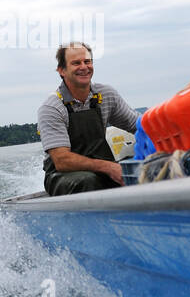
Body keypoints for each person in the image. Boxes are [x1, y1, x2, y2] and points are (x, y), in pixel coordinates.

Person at [36, 42, 138, 195]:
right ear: (61, 70)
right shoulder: (52, 107)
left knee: (140, 167)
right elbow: (62, 160)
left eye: (87, 61)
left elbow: (138, 125)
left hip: (100, 168)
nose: (84, 67)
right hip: (62, 176)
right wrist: (109, 167)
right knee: (89, 181)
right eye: (76, 63)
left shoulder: (106, 95)